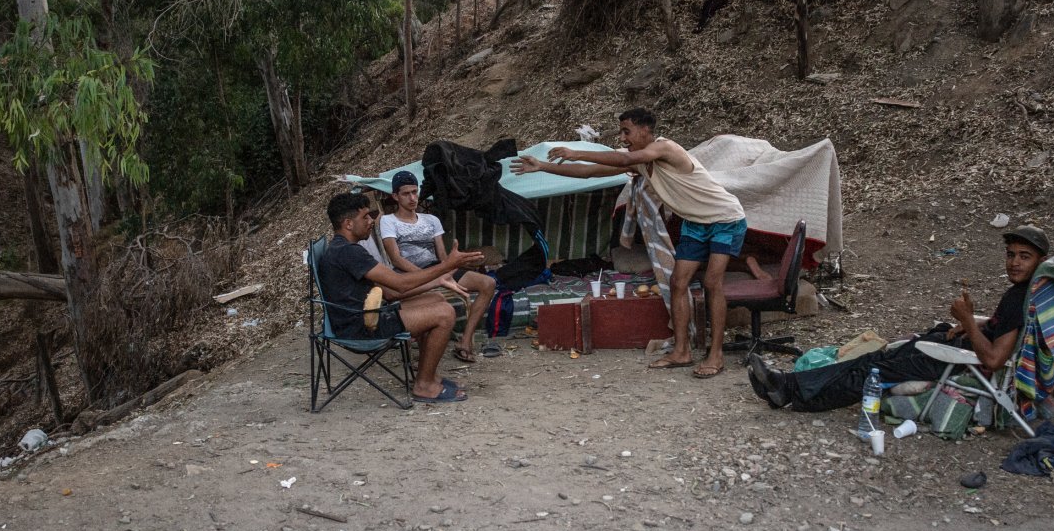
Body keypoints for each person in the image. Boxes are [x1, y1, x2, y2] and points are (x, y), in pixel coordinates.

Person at [511, 107, 746, 379]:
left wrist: (576, 151)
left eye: (627, 131)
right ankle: (682, 351)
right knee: (678, 283)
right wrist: (542, 166)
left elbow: (628, 158)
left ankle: (715, 355)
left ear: (646, 130)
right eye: (621, 132)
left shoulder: (665, 148)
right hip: (695, 222)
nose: (623, 138)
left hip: (724, 218)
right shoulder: (637, 161)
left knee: (711, 283)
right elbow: (589, 173)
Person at [748, 226, 1053, 410]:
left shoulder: (1020, 298)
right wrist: (968, 323)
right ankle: (787, 388)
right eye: (1011, 254)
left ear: (1041, 261)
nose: (1014, 262)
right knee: (878, 358)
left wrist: (970, 321)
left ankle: (787, 388)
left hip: (957, 357)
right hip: (957, 341)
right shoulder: (1030, 292)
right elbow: (1003, 330)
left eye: (1024, 256)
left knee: (872, 370)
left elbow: (995, 359)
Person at [319, 192, 484, 404]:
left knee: (436, 300)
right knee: (445, 314)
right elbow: (399, 284)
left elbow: (390, 292)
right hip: (362, 326)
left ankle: (428, 376)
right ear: (348, 224)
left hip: (364, 315)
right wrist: (449, 265)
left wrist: (438, 281)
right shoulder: (349, 253)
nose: (372, 221)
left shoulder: (344, 249)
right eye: (366, 217)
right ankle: (424, 386)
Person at [377, 171, 499, 363]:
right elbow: (396, 258)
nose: (412, 198)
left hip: (437, 268)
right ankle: (421, 349)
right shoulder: (388, 220)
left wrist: (450, 268)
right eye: (406, 193)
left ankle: (465, 342)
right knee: (434, 296)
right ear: (395, 196)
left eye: (415, 192)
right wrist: (430, 277)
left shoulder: (431, 220)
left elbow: (442, 256)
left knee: (488, 283)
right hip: (409, 274)